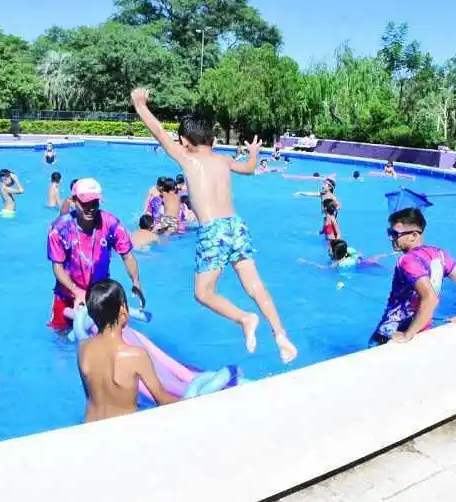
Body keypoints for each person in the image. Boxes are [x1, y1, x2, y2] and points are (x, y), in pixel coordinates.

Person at [132, 88, 297, 363]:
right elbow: (249, 169)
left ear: (185, 141)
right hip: (237, 226)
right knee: (255, 285)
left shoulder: (188, 158)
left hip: (214, 231)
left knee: (203, 293)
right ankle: (280, 335)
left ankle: (244, 319)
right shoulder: (224, 159)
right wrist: (254, 153)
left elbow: (160, 133)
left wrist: (140, 105)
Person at [47, 177, 144, 333]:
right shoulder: (59, 229)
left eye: (95, 203)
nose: (91, 208)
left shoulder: (111, 224)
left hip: (99, 296)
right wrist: (76, 291)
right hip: (66, 295)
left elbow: (127, 256)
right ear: (73, 200)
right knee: (61, 338)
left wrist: (136, 282)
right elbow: (57, 267)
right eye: (85, 203)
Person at [369, 208, 456, 346]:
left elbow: (430, 298)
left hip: (394, 329)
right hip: (423, 327)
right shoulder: (438, 253)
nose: (390, 238)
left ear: (413, 235)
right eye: (389, 233)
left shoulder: (407, 260)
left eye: (394, 234)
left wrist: (407, 334)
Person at [78, 280, 178, 422]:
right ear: (123, 310)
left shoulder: (82, 348)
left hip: (88, 428)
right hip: (122, 433)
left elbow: (90, 395)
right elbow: (162, 400)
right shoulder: (136, 355)